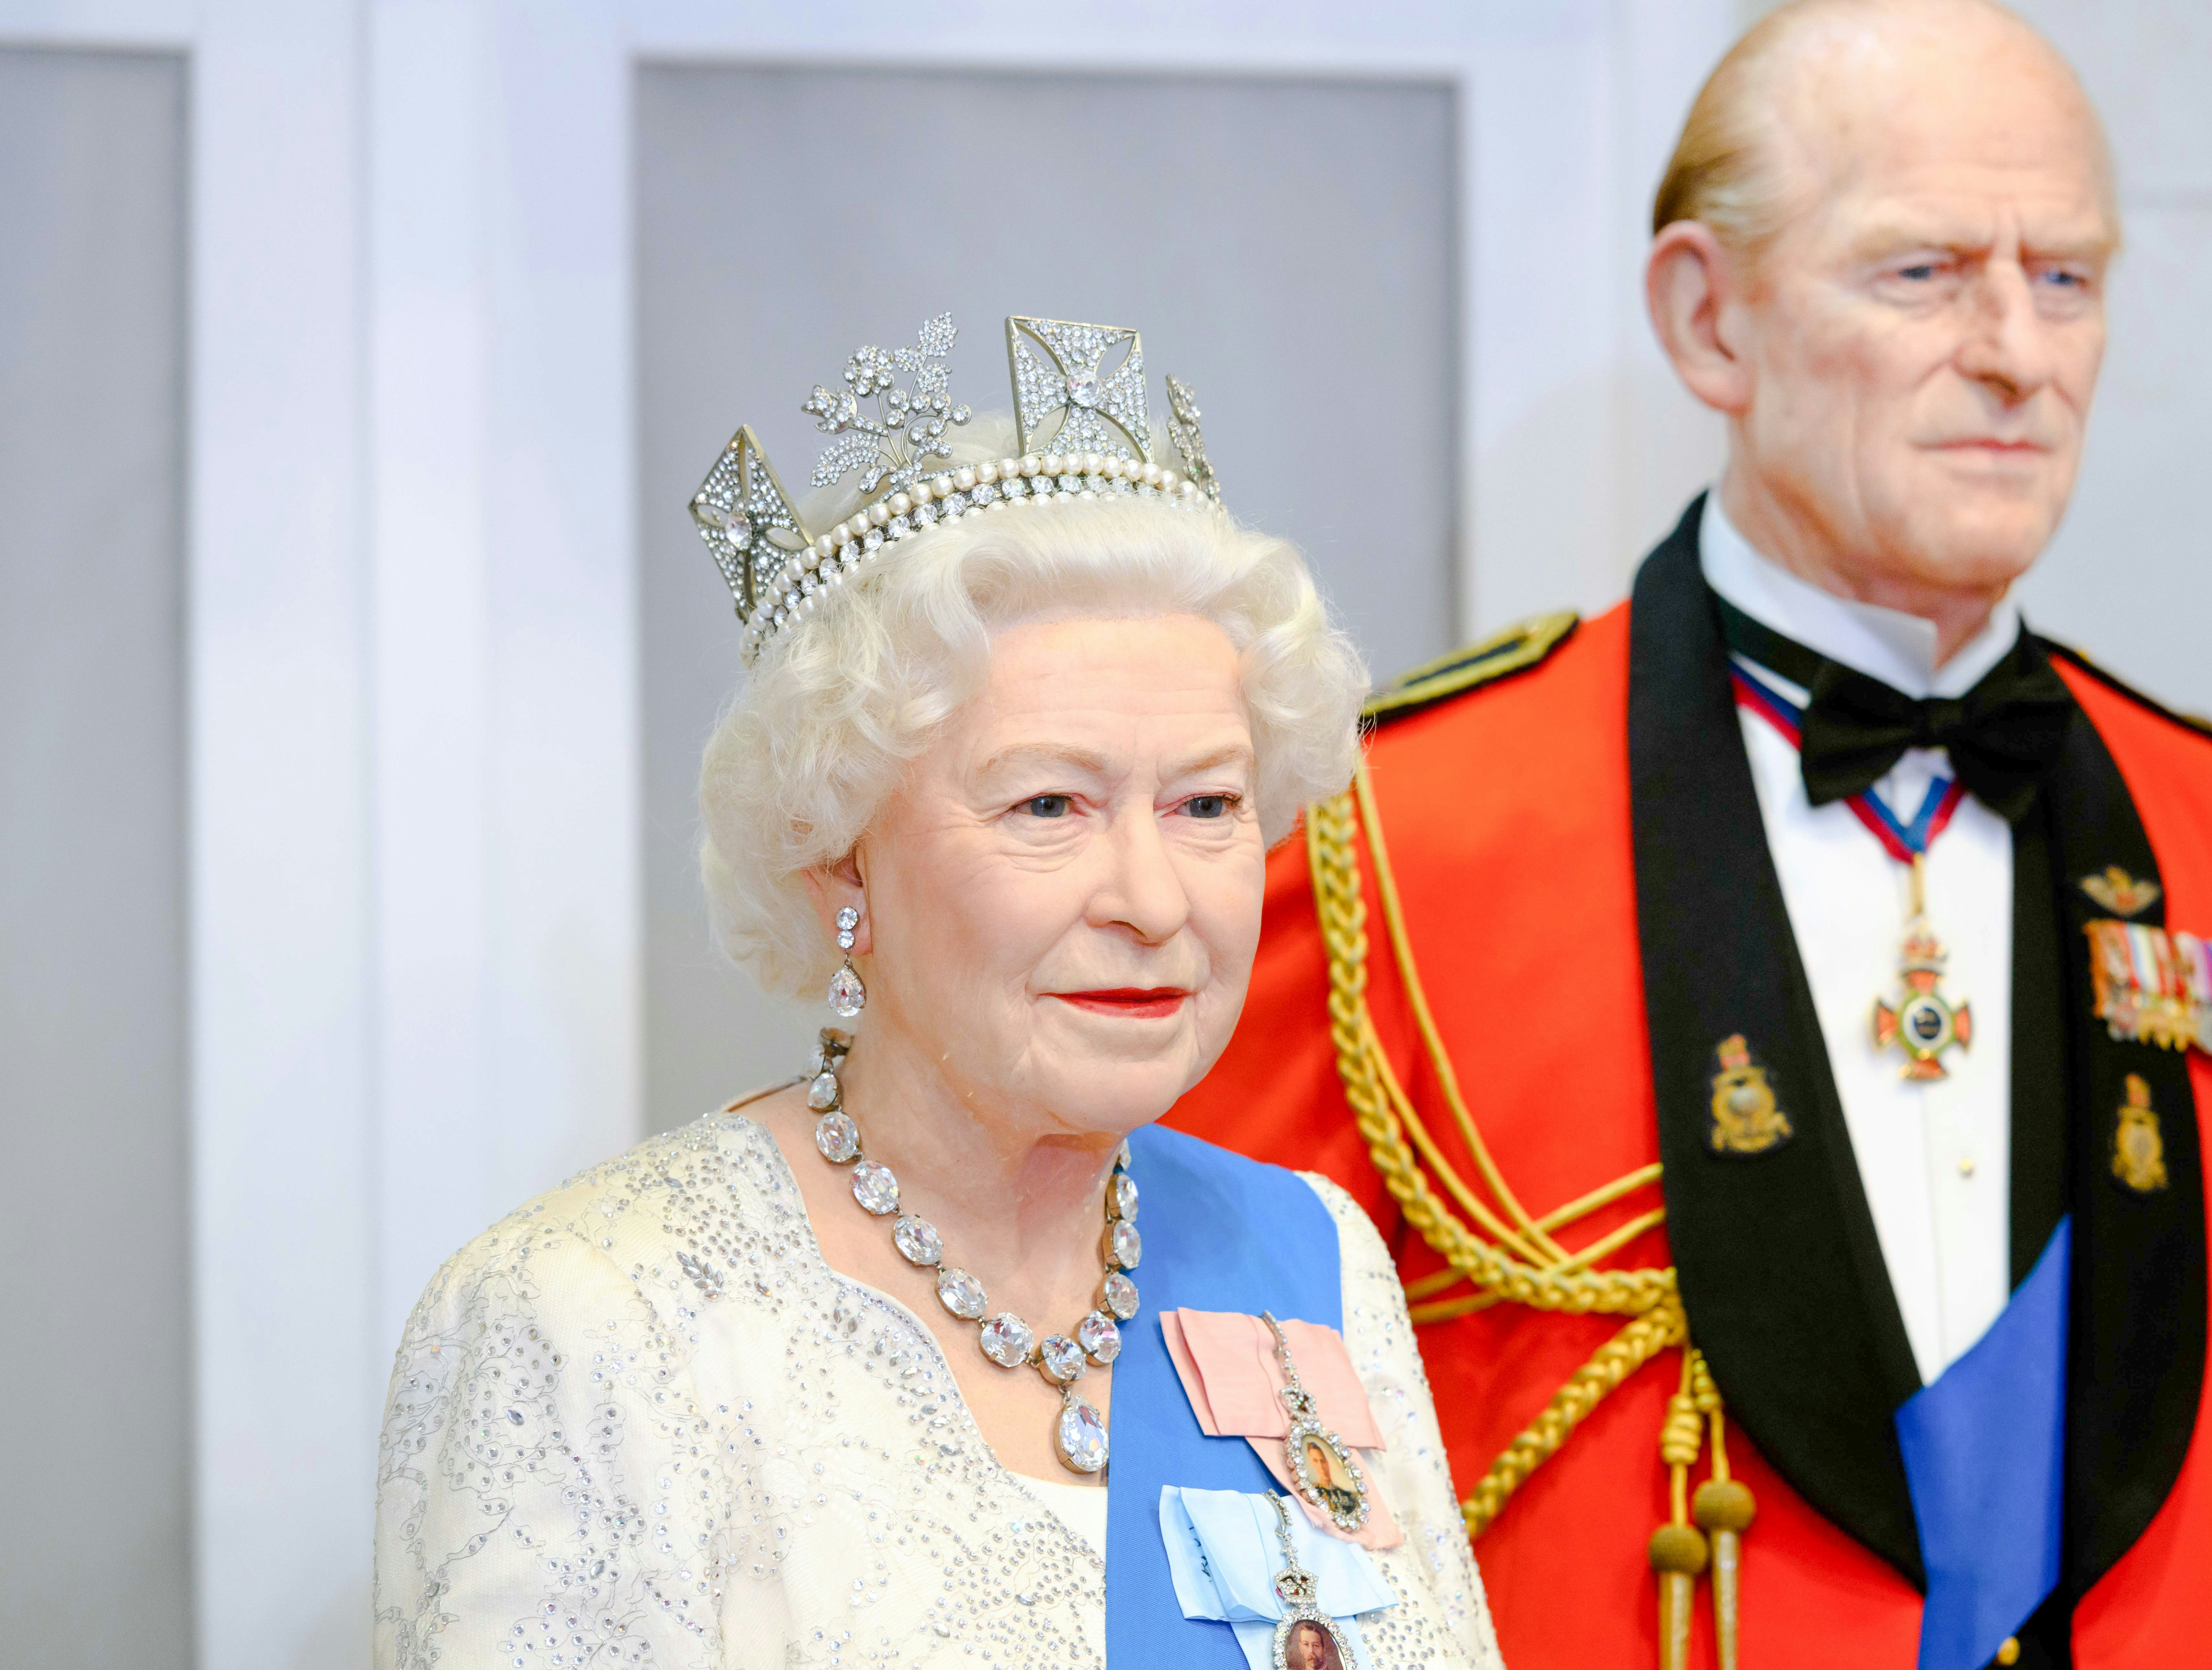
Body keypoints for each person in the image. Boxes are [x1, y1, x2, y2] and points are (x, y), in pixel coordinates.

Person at [1166, 4, 2212, 1668]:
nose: (2019, 350)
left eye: (2066, 277)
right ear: (1706, 319)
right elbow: (1228, 1483)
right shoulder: (1387, 839)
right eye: (1923, 274)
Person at [372, 316, 1503, 1669]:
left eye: (1206, 802)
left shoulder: (1311, 1254)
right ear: (837, 848)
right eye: (1047, 803)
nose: (1152, 897)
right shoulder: (594, 1319)